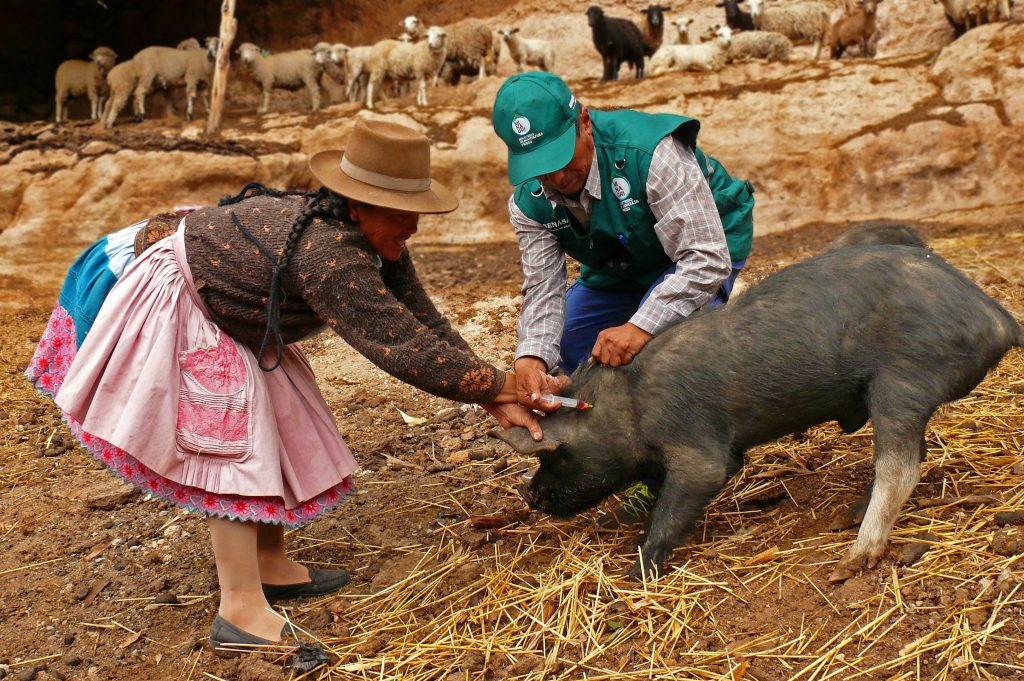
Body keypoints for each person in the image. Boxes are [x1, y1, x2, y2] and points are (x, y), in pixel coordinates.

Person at [25, 119, 546, 653]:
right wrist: (496, 386)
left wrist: (490, 388)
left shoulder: (365, 235)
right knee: (230, 449)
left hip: (237, 315)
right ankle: (240, 609)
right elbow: (399, 347)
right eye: (397, 212)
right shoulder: (329, 255)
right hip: (182, 303)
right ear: (355, 205)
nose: (410, 224)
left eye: (414, 211)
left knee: (274, 418)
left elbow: (421, 322)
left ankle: (269, 562)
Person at [491, 72, 755, 528]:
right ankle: (632, 458)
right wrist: (532, 356)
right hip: (618, 263)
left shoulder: (653, 154)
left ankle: (696, 462)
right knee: (576, 350)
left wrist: (641, 326)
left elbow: (706, 258)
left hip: (700, 249)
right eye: (538, 165)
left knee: (674, 360)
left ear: (586, 123)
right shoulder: (528, 203)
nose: (555, 176)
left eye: (560, 157)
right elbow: (544, 286)